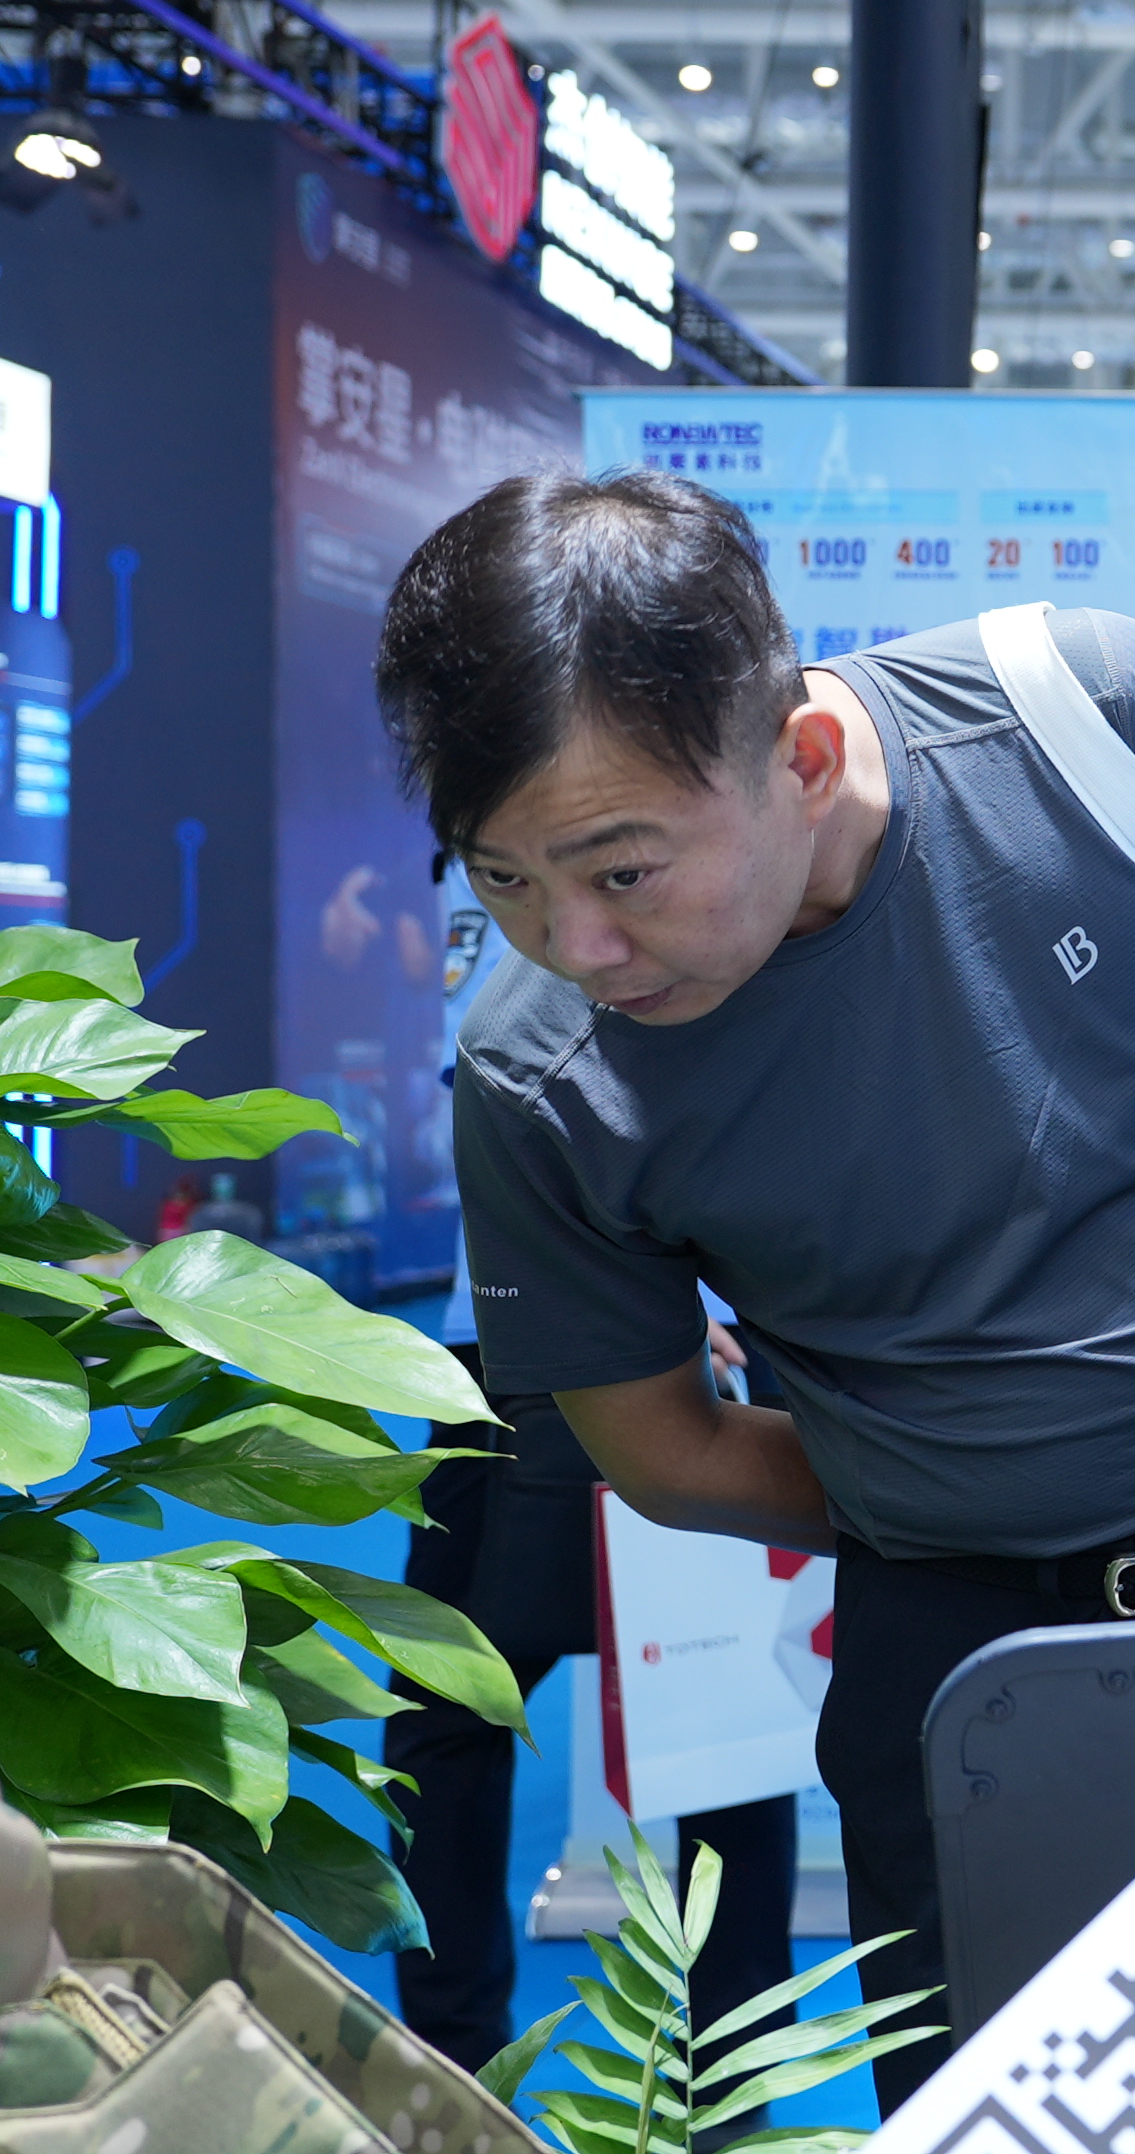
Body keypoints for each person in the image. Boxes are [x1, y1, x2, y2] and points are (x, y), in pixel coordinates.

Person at [382, 472, 1135, 2113]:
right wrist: (960, 1478)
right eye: (503, 879)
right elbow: (663, 1443)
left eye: (621, 868)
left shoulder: (1086, 713)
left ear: (802, 758)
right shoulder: (537, 1077)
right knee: (1005, 2105)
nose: (573, 943)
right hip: (965, 1661)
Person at [384, 873, 801, 2092]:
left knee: (723, 1718)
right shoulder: (468, 845)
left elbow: (720, 1050)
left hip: (687, 1329)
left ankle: (735, 2082)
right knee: (446, 1709)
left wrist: (717, 1304)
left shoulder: (657, 818)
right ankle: (452, 2066)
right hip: (491, 1338)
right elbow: (490, 1079)